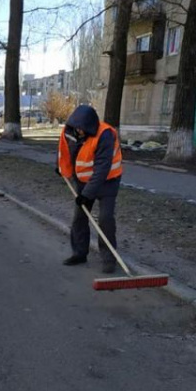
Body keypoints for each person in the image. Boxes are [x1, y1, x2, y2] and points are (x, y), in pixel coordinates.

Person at [57, 105, 123, 274]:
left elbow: (102, 168)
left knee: (105, 219)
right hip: (83, 181)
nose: (79, 131)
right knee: (79, 217)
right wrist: (60, 167)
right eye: (77, 128)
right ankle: (79, 253)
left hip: (108, 181)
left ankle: (109, 259)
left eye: (82, 129)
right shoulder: (70, 131)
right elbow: (64, 152)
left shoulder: (105, 134)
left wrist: (86, 196)